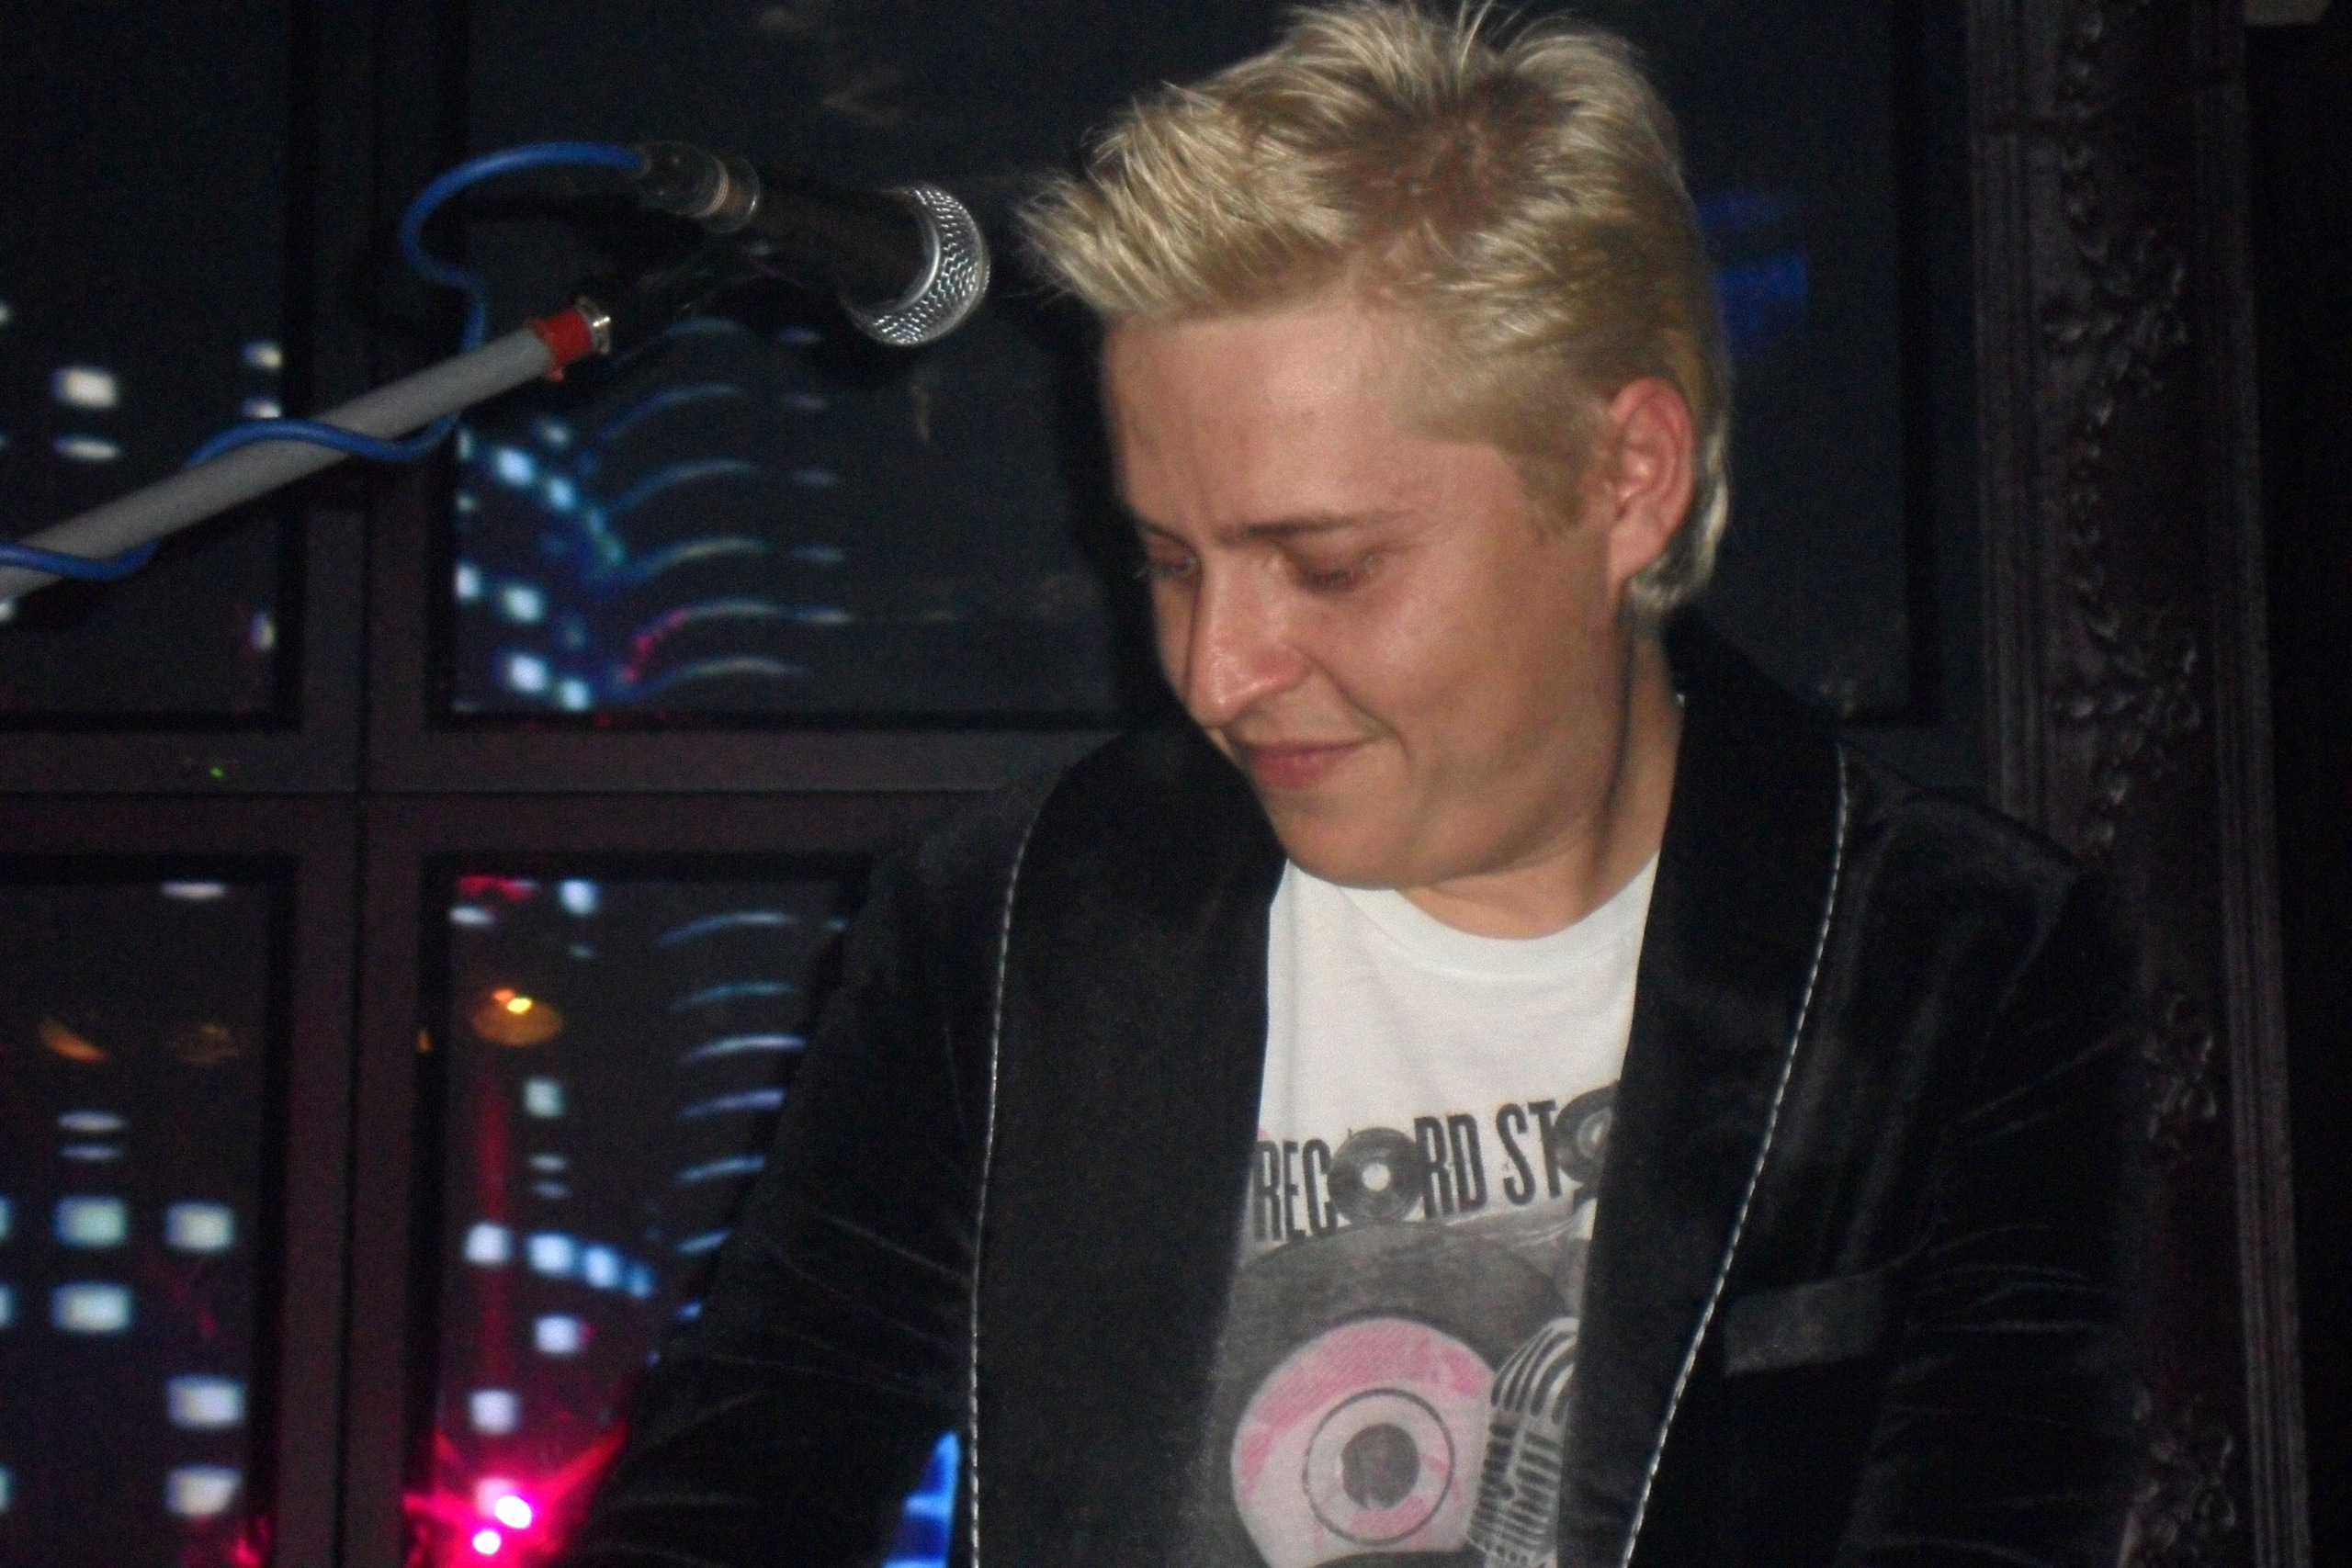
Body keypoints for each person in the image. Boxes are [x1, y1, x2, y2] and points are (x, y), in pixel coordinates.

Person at [560, 6, 2145, 1565]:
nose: (1216, 673)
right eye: (1169, 561)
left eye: (1326, 566)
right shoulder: (1001, 925)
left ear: (1628, 480)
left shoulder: (1962, 958)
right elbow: (741, 1481)